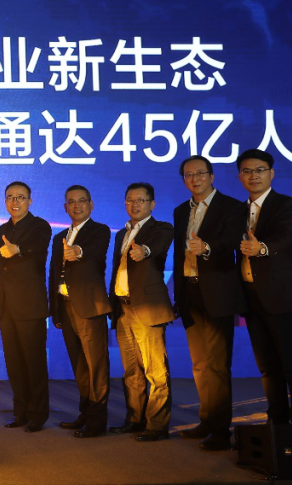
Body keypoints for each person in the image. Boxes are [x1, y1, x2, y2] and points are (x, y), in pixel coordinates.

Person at [173, 155, 247, 451]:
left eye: (200, 173)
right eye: (188, 175)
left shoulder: (232, 206)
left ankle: (220, 430)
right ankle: (206, 420)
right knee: (200, 364)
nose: (195, 179)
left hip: (217, 294)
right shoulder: (181, 210)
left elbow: (231, 240)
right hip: (189, 292)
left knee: (217, 365)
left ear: (212, 176)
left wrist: (206, 247)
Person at [236, 149, 292, 424]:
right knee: (267, 367)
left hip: (281, 296)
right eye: (247, 171)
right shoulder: (238, 210)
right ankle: (276, 422)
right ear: (240, 176)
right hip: (251, 297)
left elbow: (286, 236)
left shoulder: (285, 204)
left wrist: (262, 248)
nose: (253, 175)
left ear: (271, 173)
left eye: (260, 170)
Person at [107, 182, 175, 442]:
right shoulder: (120, 234)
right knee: (131, 370)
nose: (134, 205)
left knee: (156, 371)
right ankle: (135, 419)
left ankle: (157, 426)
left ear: (152, 204)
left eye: (140, 200)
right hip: (122, 309)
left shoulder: (161, 228)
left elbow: (157, 246)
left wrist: (144, 250)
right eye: (130, 200)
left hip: (147, 308)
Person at [49, 185, 111, 438]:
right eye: (71, 202)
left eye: (82, 201)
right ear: (65, 207)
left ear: (91, 204)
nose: (77, 205)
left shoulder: (100, 231)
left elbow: (95, 252)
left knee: (96, 367)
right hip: (65, 307)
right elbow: (53, 274)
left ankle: (97, 422)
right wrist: (54, 310)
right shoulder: (59, 237)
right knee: (80, 366)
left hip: (89, 307)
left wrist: (77, 251)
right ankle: (85, 414)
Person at [0, 181, 51, 432]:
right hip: (7, 307)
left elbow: (37, 247)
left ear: (30, 201)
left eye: (20, 197)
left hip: (30, 306)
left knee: (34, 363)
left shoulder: (40, 226)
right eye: (10, 197)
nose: (15, 202)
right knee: (14, 364)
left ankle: (38, 414)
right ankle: (21, 412)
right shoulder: (2, 229)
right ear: (5, 201)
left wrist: (18, 249)